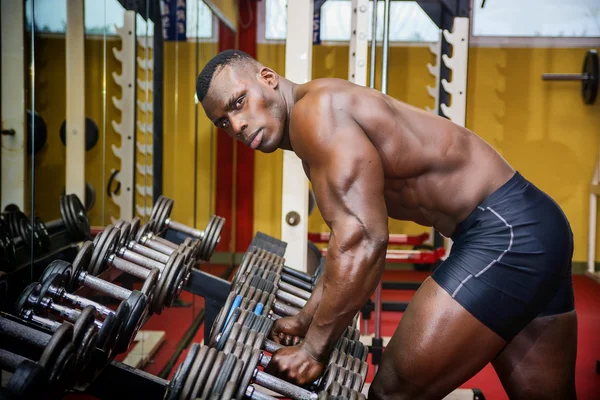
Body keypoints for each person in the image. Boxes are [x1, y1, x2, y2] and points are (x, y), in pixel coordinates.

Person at [196, 50, 577, 400]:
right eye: (224, 122)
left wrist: (313, 349)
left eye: (238, 102)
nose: (238, 124)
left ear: (268, 78)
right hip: (531, 225)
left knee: (392, 392)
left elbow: (363, 240)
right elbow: (343, 241)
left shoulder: (317, 115)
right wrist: (304, 318)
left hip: (505, 234)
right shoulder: (314, 116)